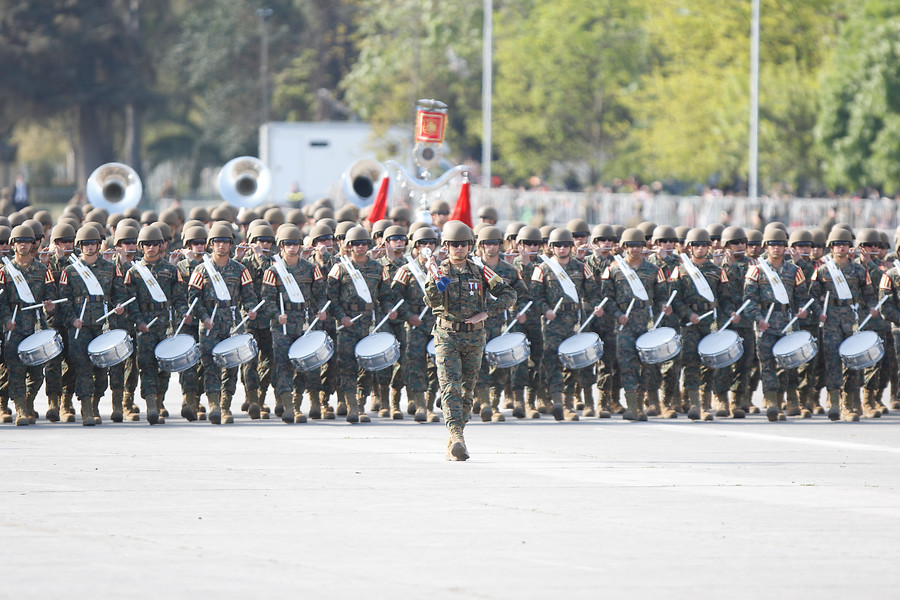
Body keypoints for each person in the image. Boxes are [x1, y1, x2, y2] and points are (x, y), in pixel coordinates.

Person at [424, 221, 515, 460]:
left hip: (474, 337)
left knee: (467, 390)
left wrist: (487, 312)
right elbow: (432, 302)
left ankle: (456, 437)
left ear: (470, 245)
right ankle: (457, 436)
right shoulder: (439, 271)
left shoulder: (481, 270)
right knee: (450, 387)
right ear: (446, 246)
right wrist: (432, 275)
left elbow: (509, 294)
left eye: (463, 244)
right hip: (447, 336)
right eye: (454, 245)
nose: (458, 249)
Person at [188, 221, 260, 425]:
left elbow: (249, 295)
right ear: (211, 244)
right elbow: (193, 298)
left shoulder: (240, 269)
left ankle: (226, 406)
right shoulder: (201, 270)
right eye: (217, 241)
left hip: (233, 322)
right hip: (209, 323)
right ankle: (213, 405)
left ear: (231, 245)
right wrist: (204, 317)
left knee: (230, 366)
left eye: (225, 242)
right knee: (210, 365)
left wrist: (251, 309)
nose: (221, 245)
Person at [326, 226, 397, 423]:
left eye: (364, 243)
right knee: (347, 365)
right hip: (347, 324)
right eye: (356, 244)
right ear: (349, 246)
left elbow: (386, 295)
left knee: (366, 365)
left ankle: (361, 403)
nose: (360, 247)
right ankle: (352, 407)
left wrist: (390, 309)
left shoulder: (378, 269)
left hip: (369, 323)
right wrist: (341, 317)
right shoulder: (339, 269)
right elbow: (330, 299)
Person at [531, 228, 603, 421]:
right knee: (552, 362)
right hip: (552, 324)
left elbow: (592, 292)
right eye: (558, 245)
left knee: (573, 363)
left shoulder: (581, 267)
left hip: (575, 321)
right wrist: (546, 310)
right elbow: (535, 297)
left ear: (571, 247)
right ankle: (556, 402)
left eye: (565, 245)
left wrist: (597, 305)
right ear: (551, 247)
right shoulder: (542, 269)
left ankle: (568, 404)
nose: (562, 249)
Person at [743, 228, 814, 421]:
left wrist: (803, 310)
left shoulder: (795, 270)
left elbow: (802, 297)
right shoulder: (756, 270)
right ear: (766, 247)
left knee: (787, 366)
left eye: (780, 244)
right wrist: (758, 319)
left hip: (788, 322)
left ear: (785, 247)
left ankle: (783, 401)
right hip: (765, 323)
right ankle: (772, 403)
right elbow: (748, 300)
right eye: (772, 244)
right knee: (767, 365)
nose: (776, 248)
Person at [600, 228, 671, 421]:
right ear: (624, 247)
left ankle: (641, 405)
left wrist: (663, 307)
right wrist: (617, 314)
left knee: (646, 364)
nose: (636, 249)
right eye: (631, 245)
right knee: (626, 364)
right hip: (624, 325)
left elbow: (661, 296)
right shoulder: (613, 269)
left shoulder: (653, 270)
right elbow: (607, 297)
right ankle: (631, 406)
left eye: (639, 245)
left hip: (645, 323)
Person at [807, 228, 877, 421]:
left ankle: (850, 405)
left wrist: (871, 308)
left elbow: (869, 293)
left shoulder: (859, 270)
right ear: (831, 247)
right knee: (832, 361)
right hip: (830, 319)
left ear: (849, 247)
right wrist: (818, 311)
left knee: (853, 362)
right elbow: (812, 295)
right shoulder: (822, 270)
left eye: (844, 244)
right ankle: (835, 404)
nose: (841, 247)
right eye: (837, 244)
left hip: (851, 318)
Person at [259, 224, 326, 423]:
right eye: (288, 244)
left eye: (295, 243)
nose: (292, 247)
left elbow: (320, 294)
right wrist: (276, 314)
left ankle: (298, 405)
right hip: (283, 325)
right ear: (281, 246)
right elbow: (267, 299)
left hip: (305, 322)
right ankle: (288, 407)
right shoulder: (273, 271)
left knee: (305, 365)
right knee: (283, 365)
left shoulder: (311, 269)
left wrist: (321, 311)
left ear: (300, 246)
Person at [670, 228, 736, 420]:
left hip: (710, 321)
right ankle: (694, 404)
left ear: (709, 247)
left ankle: (706, 405)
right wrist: (688, 314)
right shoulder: (680, 270)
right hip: (689, 322)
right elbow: (675, 299)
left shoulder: (717, 271)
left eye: (703, 245)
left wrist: (729, 312)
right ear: (689, 247)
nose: (700, 248)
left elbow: (725, 298)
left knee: (709, 362)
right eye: (696, 245)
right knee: (690, 361)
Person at [124, 225, 187, 424]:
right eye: (147, 245)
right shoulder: (134, 272)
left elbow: (178, 298)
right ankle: (151, 405)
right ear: (141, 247)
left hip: (165, 324)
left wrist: (184, 313)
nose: (151, 248)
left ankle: (160, 402)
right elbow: (130, 302)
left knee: (165, 367)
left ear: (161, 245)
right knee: (147, 365)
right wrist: (139, 322)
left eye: (154, 244)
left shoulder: (170, 269)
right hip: (145, 325)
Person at [1, 225, 59, 425]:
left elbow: (51, 295)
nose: (23, 245)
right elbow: (0, 301)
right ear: (13, 245)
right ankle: (20, 411)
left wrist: (50, 306)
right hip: (14, 326)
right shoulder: (5, 271)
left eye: (26, 241)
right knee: (15, 370)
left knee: (36, 372)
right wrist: (6, 320)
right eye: (19, 241)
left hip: (35, 325)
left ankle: (28, 402)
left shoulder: (43, 269)